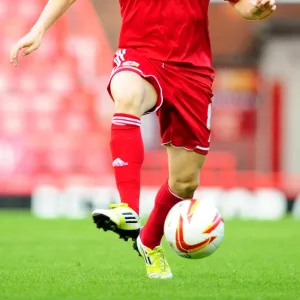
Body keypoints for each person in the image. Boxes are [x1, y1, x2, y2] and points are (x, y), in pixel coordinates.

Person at [10, 0, 276, 279]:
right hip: (140, 54)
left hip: (192, 71)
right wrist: (39, 28)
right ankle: (128, 209)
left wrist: (255, 9)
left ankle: (148, 242)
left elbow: (242, 6)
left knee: (185, 183)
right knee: (127, 96)